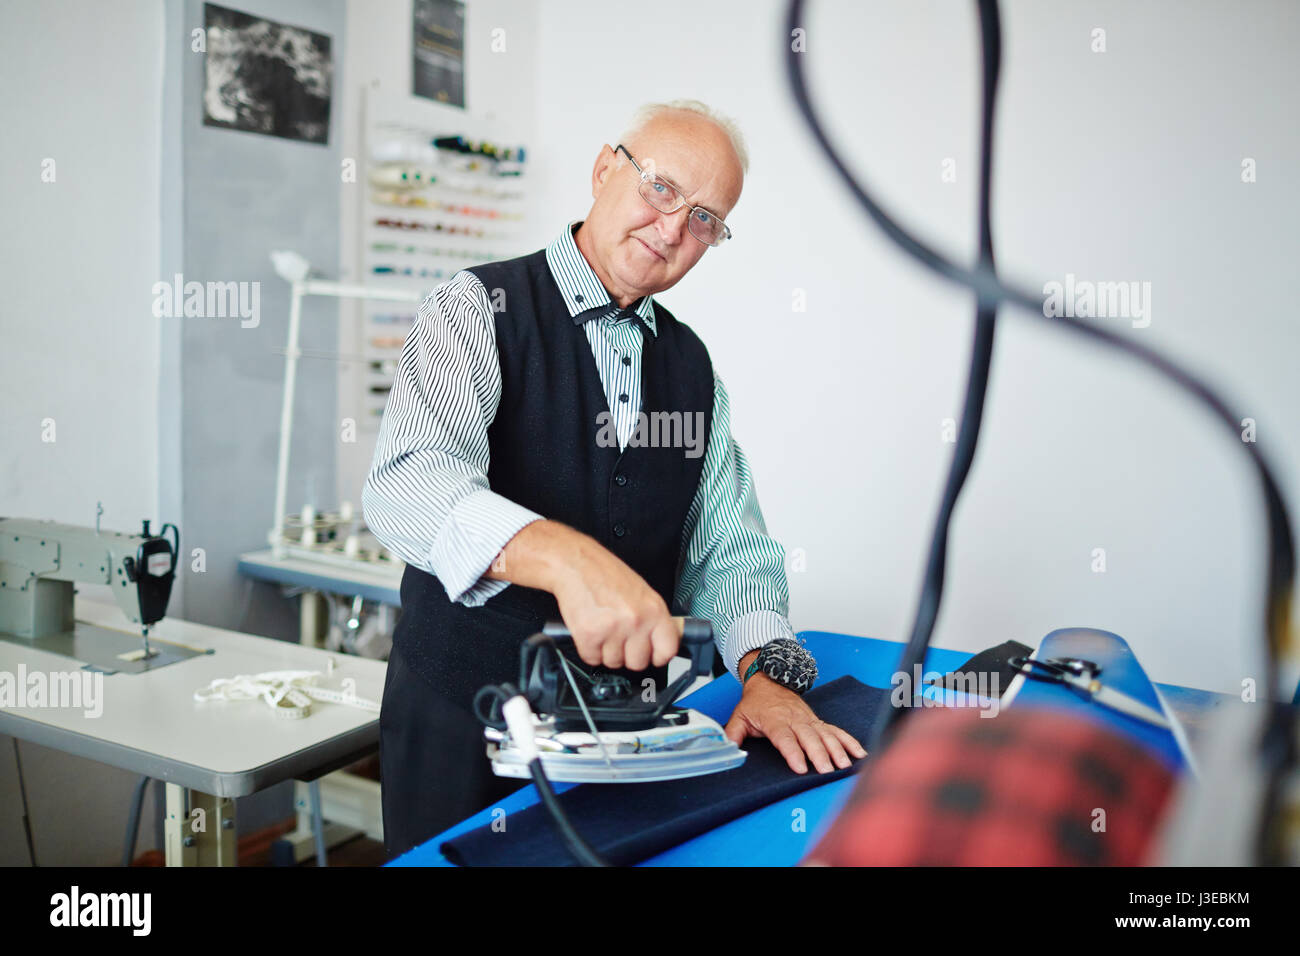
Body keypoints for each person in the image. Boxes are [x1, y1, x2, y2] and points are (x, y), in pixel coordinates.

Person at [363, 99, 866, 859]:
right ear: (605, 170)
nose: (672, 230)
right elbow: (408, 480)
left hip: (623, 737)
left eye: (705, 219)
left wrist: (768, 674)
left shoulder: (693, 368)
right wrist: (563, 558)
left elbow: (728, 553)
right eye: (661, 189)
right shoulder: (478, 308)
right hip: (462, 728)